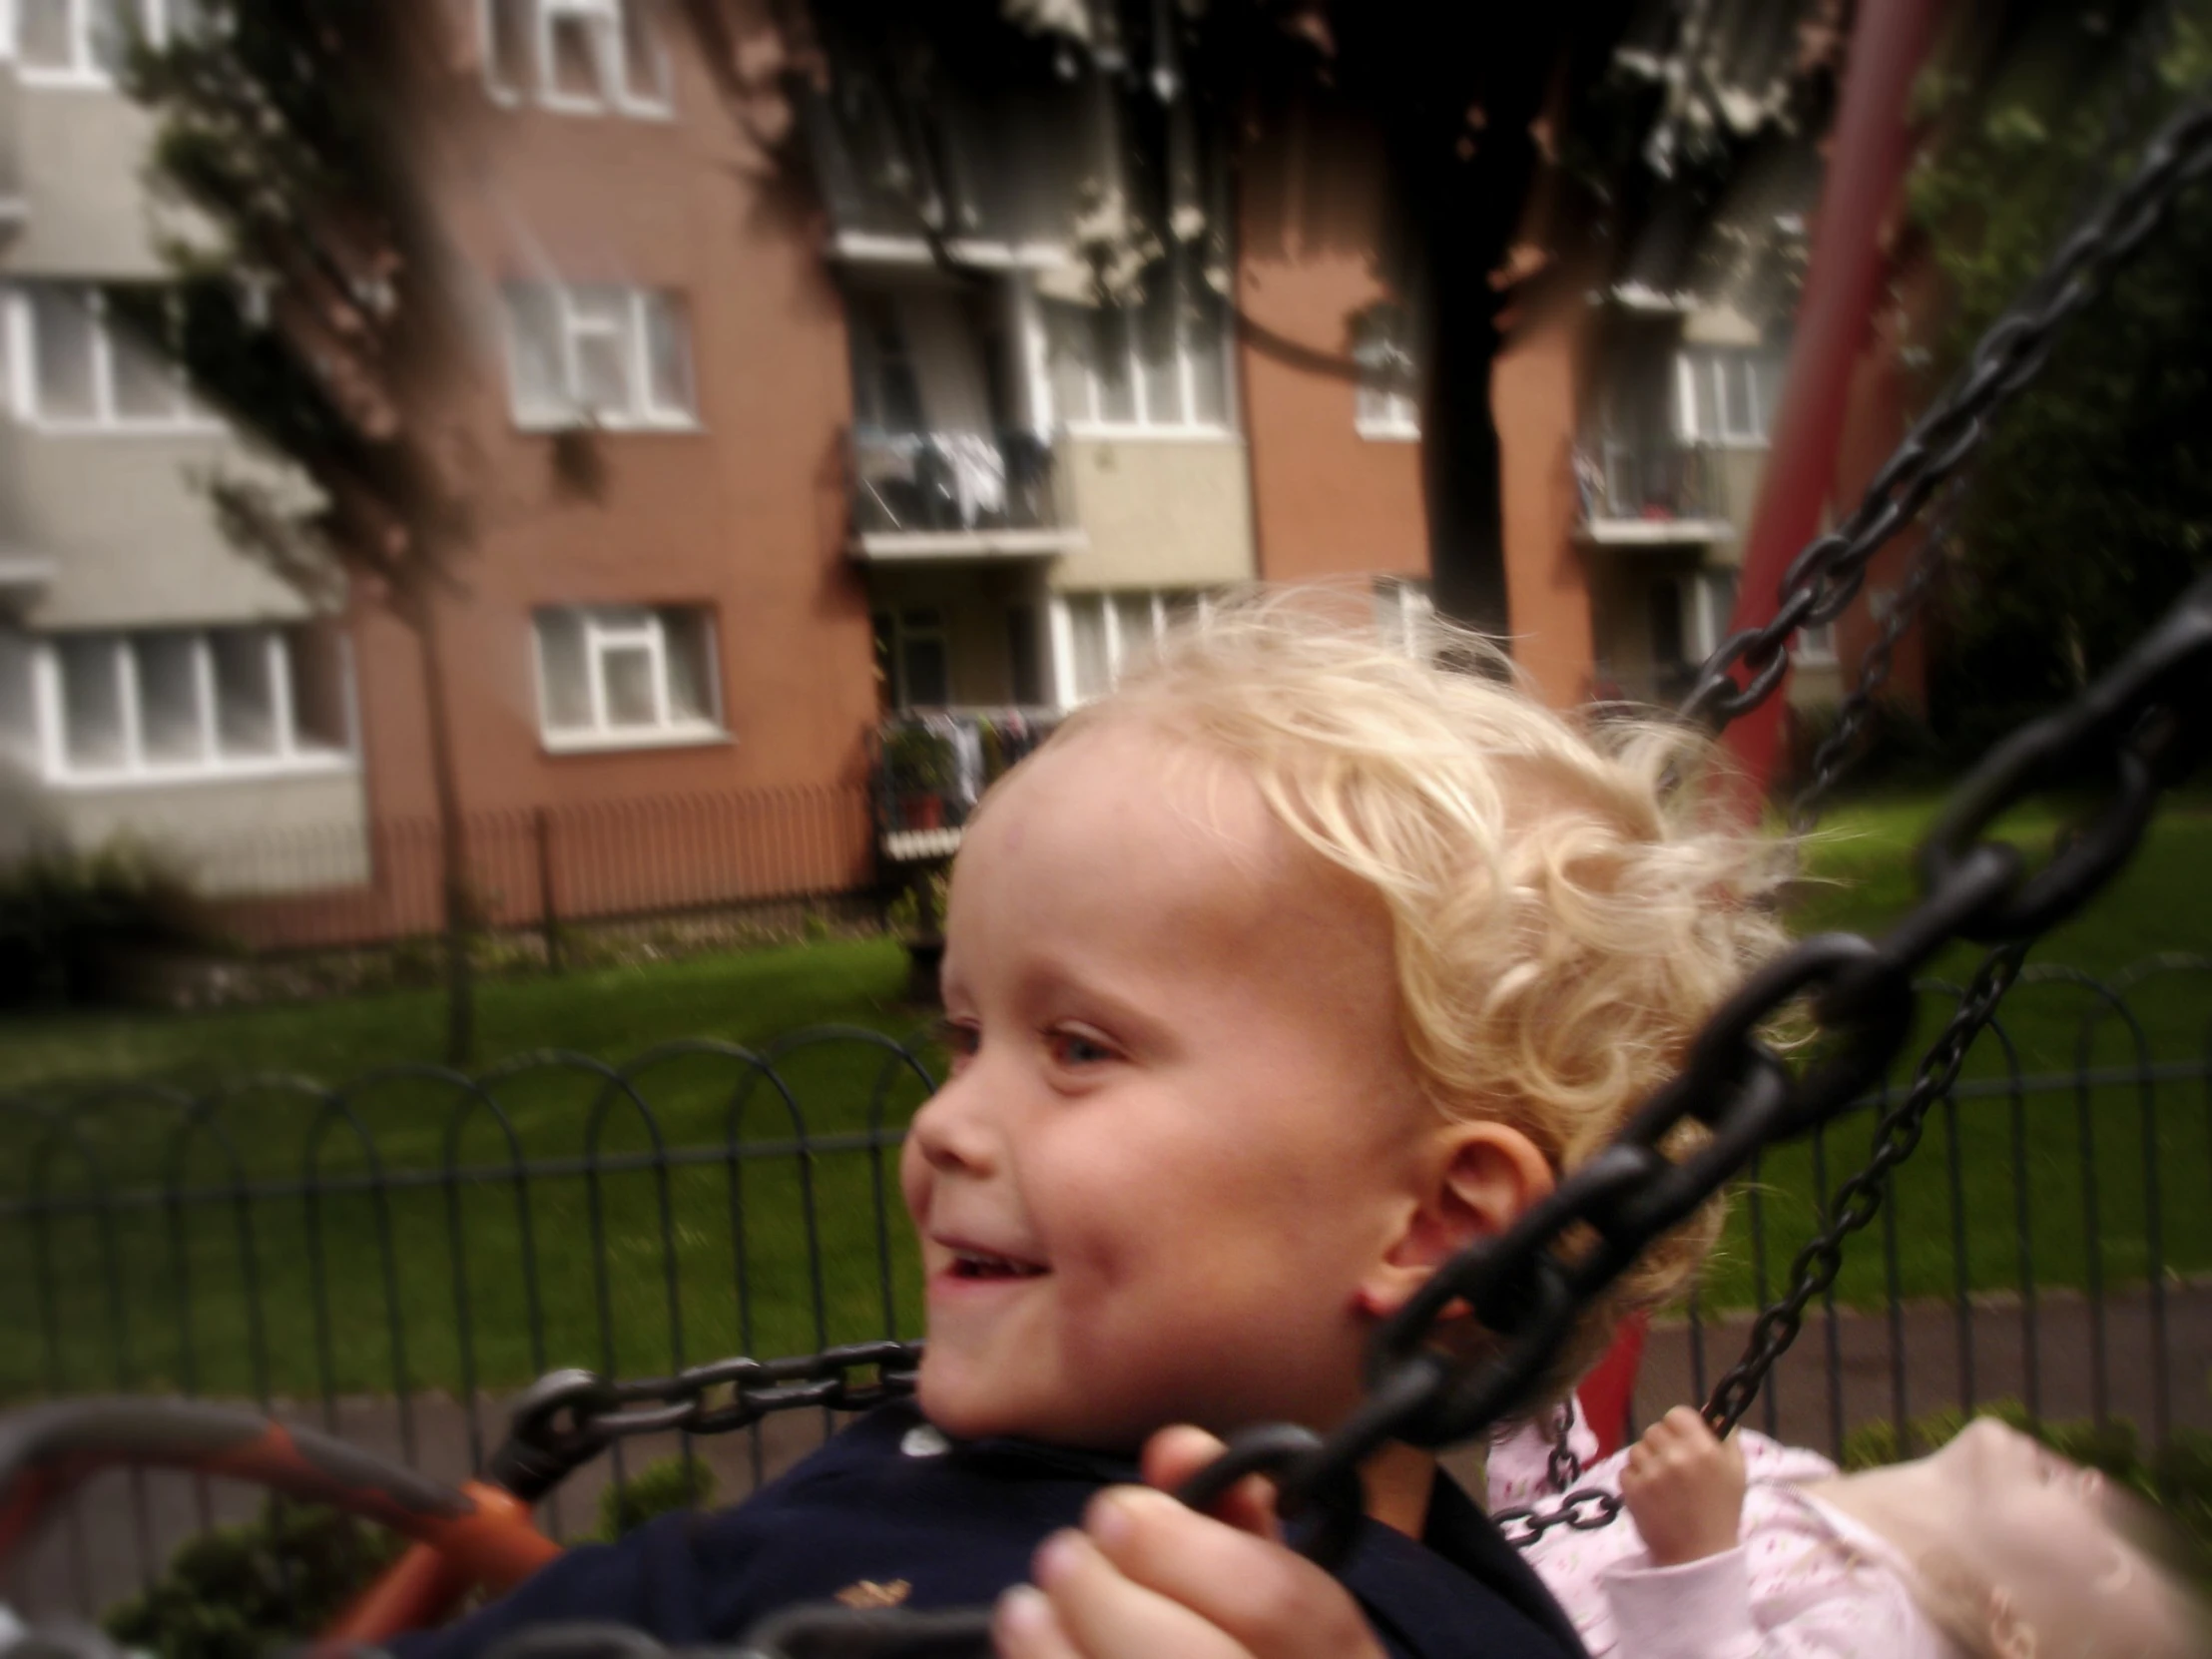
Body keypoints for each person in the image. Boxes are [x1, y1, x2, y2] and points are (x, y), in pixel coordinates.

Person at [393, 597, 1790, 1659]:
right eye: (960, 1033)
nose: (943, 1121)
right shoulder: (973, 1460)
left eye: (1077, 1046)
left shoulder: (1299, 1623)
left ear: (1438, 1225)